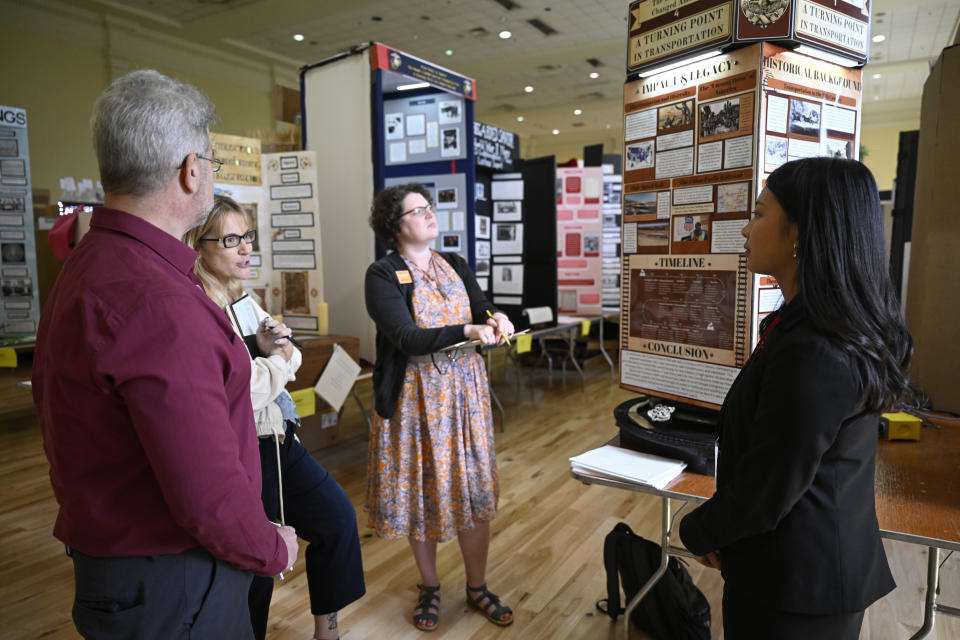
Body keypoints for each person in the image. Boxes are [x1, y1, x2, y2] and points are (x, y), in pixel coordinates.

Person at [31, 69, 298, 640]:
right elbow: (207, 495)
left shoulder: (93, 264)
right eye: (211, 162)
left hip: (131, 571)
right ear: (190, 170)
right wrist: (271, 546)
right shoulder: (156, 300)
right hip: (175, 580)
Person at [678, 157, 913, 639]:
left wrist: (699, 529)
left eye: (760, 214)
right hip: (790, 571)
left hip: (799, 588)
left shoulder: (815, 348)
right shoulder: (808, 326)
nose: (745, 229)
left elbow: (770, 486)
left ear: (800, 234)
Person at [183, 195, 365, 640]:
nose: (246, 248)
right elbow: (238, 392)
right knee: (254, 570)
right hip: (241, 452)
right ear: (197, 244)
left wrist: (273, 362)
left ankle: (328, 633)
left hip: (279, 441)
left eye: (247, 236)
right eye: (230, 239)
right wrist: (275, 364)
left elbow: (291, 351)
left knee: (337, 519)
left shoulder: (243, 298)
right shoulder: (196, 305)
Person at [364, 183, 515, 631]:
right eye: (418, 210)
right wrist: (467, 331)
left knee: (474, 489)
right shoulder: (383, 274)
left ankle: (476, 586)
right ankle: (430, 585)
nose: (430, 215)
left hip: (466, 397)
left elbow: (482, 306)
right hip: (416, 400)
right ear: (396, 226)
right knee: (422, 491)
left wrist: (495, 319)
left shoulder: (455, 263)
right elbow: (407, 338)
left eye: (429, 208)